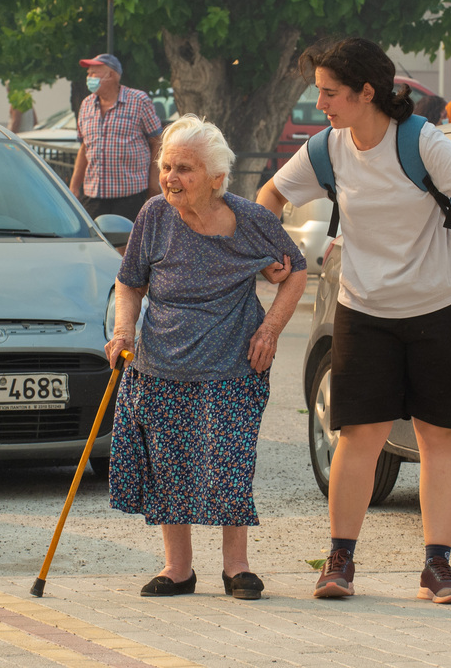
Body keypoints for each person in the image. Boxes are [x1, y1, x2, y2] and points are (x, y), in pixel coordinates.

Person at [256, 37, 451, 605]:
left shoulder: (420, 140)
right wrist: (271, 246)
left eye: (330, 93)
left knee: (438, 435)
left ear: (365, 92)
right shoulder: (327, 148)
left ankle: (437, 566)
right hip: (365, 309)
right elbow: (270, 195)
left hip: (444, 305)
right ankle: (340, 561)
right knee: (359, 436)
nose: (319, 103)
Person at [105, 114, 308, 600]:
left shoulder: (252, 220)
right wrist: (123, 328)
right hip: (160, 362)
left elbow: (296, 271)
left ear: (217, 179)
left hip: (232, 364)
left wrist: (271, 329)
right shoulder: (154, 215)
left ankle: (236, 567)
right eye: (167, 166)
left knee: (229, 461)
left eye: (185, 169)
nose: (171, 178)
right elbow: (130, 282)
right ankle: (178, 569)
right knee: (169, 464)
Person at [68, 53, 164, 220]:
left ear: (111, 75)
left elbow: (157, 141)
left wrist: (153, 181)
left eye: (93, 74)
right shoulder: (86, 105)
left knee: (127, 243)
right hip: (94, 193)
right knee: (97, 242)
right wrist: (74, 187)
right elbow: (84, 148)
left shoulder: (138, 101)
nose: (89, 78)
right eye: (88, 74)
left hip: (130, 193)